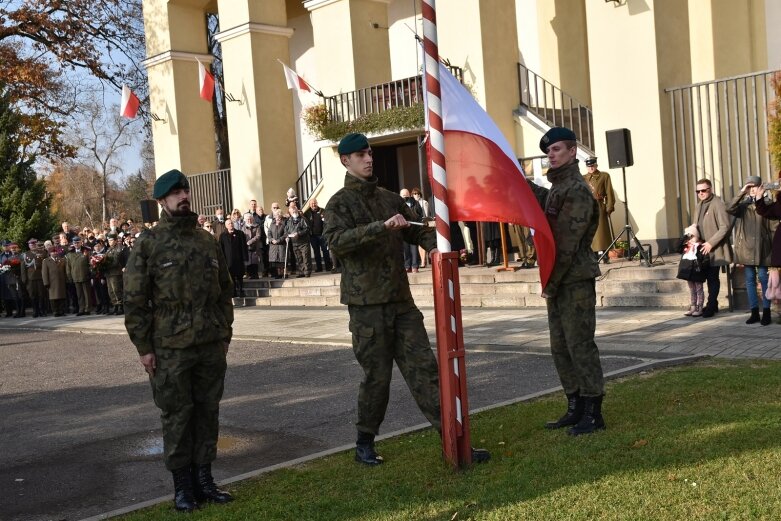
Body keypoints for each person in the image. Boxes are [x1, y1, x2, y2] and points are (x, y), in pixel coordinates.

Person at [323, 133, 489, 465]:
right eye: (360, 156)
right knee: (376, 377)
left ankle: (453, 441)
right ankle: (364, 442)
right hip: (367, 307)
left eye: (369, 153)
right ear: (345, 161)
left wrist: (437, 244)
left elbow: (416, 229)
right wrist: (379, 228)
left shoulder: (388, 198)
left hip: (400, 302)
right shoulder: (339, 203)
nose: (368, 159)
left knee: (425, 371)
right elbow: (336, 242)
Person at [123, 169, 234, 512]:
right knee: (177, 415)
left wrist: (225, 332)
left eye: (184, 190)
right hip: (170, 348)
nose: (183, 196)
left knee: (207, 412)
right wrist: (144, 348)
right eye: (175, 193)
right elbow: (135, 300)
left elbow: (224, 291)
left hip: (209, 343)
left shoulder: (206, 240)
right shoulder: (149, 244)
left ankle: (205, 480)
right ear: (161, 201)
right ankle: (183, 488)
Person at [526, 127, 606, 436]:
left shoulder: (576, 188)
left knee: (580, 345)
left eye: (557, 149)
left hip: (573, 280)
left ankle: (592, 411)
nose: (551, 154)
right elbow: (549, 204)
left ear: (573, 152)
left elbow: (568, 244)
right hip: (559, 281)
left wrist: (552, 282)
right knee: (560, 346)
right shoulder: (560, 187)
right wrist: (521, 185)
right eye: (549, 151)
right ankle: (574, 407)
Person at [726, 176, 776, 325]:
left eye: (755, 186)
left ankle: (766, 312)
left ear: (761, 187)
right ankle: (754, 312)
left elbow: (773, 228)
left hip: (763, 249)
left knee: (763, 278)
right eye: (749, 186)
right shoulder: (743, 206)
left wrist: (774, 249)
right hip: (746, 249)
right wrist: (742, 192)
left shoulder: (767, 204)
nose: (752, 189)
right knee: (749, 280)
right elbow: (729, 208)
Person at [693, 179, 733, 318]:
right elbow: (695, 226)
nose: (701, 193)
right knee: (705, 277)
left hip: (714, 249)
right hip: (701, 248)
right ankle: (713, 304)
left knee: (712, 278)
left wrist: (711, 243)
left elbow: (725, 227)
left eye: (703, 190)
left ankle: (710, 306)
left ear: (710, 189)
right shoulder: (699, 205)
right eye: (698, 191)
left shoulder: (718, 204)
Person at [583, 157, 615, 260]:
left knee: (602, 231)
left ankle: (605, 256)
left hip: (600, 206)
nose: (591, 168)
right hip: (588, 207)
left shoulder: (604, 176)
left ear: (596, 165)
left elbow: (609, 192)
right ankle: (594, 256)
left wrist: (609, 206)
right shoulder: (583, 178)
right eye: (589, 166)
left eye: (592, 165)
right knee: (591, 232)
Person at [676, 225, 709, 317]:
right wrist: (685, 237)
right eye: (690, 236)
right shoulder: (686, 246)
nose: (691, 238)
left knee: (699, 290)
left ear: (697, 236)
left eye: (692, 236)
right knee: (692, 290)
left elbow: (706, 259)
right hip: (688, 272)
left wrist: (701, 266)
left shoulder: (700, 246)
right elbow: (677, 248)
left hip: (697, 272)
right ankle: (693, 306)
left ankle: (700, 307)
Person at [220, 218, 248, 297]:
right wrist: (222, 260)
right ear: (226, 226)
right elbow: (221, 248)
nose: (231, 225)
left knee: (240, 276)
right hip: (229, 261)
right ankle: (234, 291)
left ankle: (241, 290)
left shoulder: (240, 233)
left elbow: (243, 246)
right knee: (231, 277)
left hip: (238, 259)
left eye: (231, 223)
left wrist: (245, 258)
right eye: (229, 224)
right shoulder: (223, 236)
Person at [20, 238, 48, 317]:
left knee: (41, 295)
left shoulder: (43, 253)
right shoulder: (25, 254)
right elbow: (23, 268)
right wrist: (24, 279)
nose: (33, 245)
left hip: (40, 277)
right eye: (31, 244)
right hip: (30, 279)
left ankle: (42, 310)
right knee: (32, 295)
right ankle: (35, 311)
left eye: (34, 244)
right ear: (29, 246)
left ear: (36, 244)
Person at [65, 236, 92, 316]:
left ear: (81, 242)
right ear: (73, 244)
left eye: (78, 242)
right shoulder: (70, 254)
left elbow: (90, 264)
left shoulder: (86, 251)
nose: (76, 244)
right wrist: (69, 277)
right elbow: (68, 267)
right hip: (75, 276)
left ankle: (88, 309)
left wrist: (90, 273)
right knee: (79, 294)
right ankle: (81, 309)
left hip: (85, 275)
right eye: (75, 243)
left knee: (87, 294)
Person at [399, 188, 423, 273]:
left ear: (409, 195)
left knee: (414, 249)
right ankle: (407, 266)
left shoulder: (415, 203)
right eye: (403, 196)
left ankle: (415, 266)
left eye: (406, 195)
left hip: (413, 228)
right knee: (406, 249)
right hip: (404, 229)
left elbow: (420, 214)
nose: (405, 197)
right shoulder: (398, 204)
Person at [285, 202, 312, 277]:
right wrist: (287, 236)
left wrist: (298, 233)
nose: (294, 212)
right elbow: (286, 231)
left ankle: (307, 272)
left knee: (306, 257)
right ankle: (301, 271)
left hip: (303, 242)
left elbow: (307, 229)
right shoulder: (288, 221)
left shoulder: (303, 219)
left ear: (297, 211)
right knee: (298, 258)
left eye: (295, 211)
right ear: (290, 212)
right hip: (294, 243)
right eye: (292, 211)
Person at [306, 198, 332, 273]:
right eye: (312, 204)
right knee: (316, 252)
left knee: (325, 251)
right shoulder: (307, 213)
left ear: (317, 203)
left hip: (322, 235)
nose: (313, 205)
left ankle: (328, 266)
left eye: (314, 203)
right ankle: (319, 267)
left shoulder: (323, 211)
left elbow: (327, 221)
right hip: (313, 236)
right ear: (310, 205)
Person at [42, 246, 68, 316]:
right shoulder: (46, 261)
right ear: (50, 253)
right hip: (52, 282)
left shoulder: (61, 260)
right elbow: (44, 273)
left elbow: (65, 271)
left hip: (61, 281)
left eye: (56, 251)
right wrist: (46, 282)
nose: (54, 253)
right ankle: (55, 311)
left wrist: (66, 280)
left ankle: (61, 311)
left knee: (61, 297)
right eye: (53, 252)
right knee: (53, 298)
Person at [105, 233, 127, 315]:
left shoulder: (118, 249)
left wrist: (105, 264)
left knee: (116, 289)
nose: (110, 242)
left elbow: (116, 260)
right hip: (109, 273)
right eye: (109, 240)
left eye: (111, 240)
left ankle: (120, 305)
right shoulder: (108, 249)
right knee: (110, 290)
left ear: (115, 240)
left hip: (115, 272)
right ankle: (115, 305)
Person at [411, 188, 430, 268]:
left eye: (418, 194)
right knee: (419, 244)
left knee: (422, 243)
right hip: (415, 225)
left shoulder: (424, 202)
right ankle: (422, 261)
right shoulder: (411, 203)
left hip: (422, 224)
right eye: (415, 194)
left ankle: (423, 261)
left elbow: (426, 214)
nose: (416, 195)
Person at [267, 210, 287, 279]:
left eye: (279, 218)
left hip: (281, 245)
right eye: (276, 217)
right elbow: (269, 233)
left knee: (281, 260)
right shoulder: (272, 224)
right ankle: (277, 274)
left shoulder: (283, 224)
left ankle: (283, 273)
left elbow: (285, 234)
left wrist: (278, 240)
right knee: (275, 261)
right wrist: (271, 240)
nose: (278, 219)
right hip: (273, 245)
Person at [243, 212, 263, 279]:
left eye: (250, 219)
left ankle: (255, 275)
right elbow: (242, 236)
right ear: (245, 220)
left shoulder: (257, 226)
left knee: (255, 261)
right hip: (247, 247)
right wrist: (246, 242)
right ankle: (250, 275)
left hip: (255, 246)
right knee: (248, 262)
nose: (249, 220)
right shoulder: (243, 228)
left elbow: (258, 236)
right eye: (247, 219)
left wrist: (250, 241)